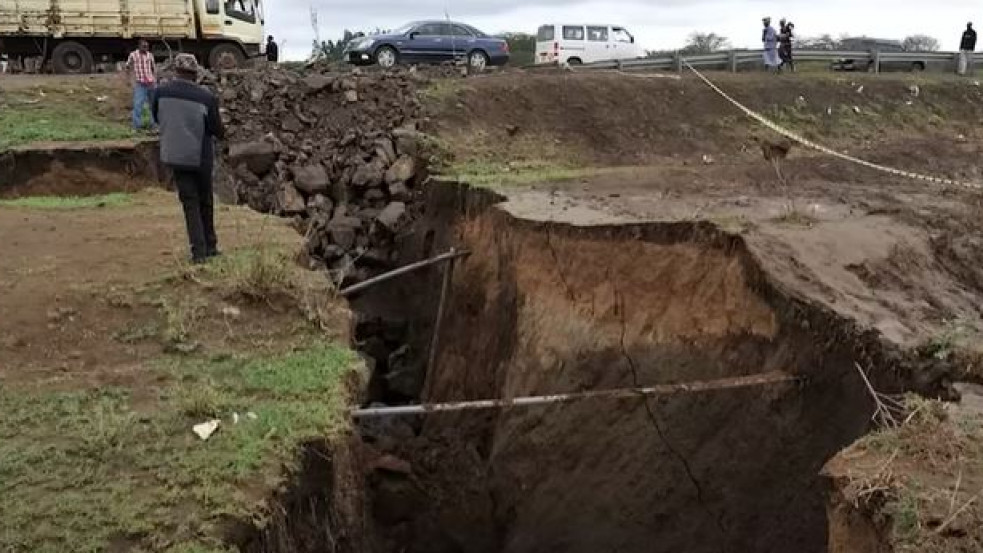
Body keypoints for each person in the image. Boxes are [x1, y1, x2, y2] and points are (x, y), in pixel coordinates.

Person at [151, 54, 225, 264]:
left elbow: (157, 116)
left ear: (176, 71)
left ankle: (198, 253)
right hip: (200, 156)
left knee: (190, 203)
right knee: (205, 201)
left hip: (175, 155)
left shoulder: (160, 92)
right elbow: (216, 129)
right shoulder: (206, 97)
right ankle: (210, 247)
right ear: (195, 74)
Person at [126, 39, 157, 131]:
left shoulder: (150, 55)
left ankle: (153, 125)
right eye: (144, 46)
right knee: (137, 104)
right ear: (139, 46)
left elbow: (153, 68)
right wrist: (131, 80)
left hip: (150, 83)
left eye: (147, 46)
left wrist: (155, 80)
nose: (146, 48)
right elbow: (128, 67)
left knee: (153, 105)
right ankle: (137, 126)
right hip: (140, 83)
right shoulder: (133, 55)